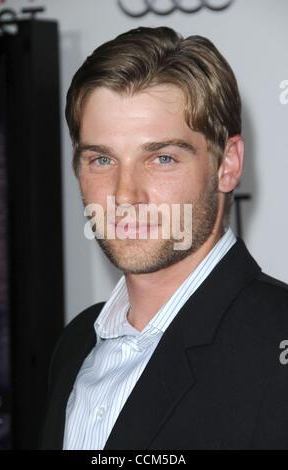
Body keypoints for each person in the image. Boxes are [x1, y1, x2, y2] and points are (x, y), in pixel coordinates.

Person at [41, 26, 288, 450]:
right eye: (101, 159)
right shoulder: (74, 344)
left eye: (162, 158)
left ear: (227, 165)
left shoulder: (276, 342)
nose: (124, 195)